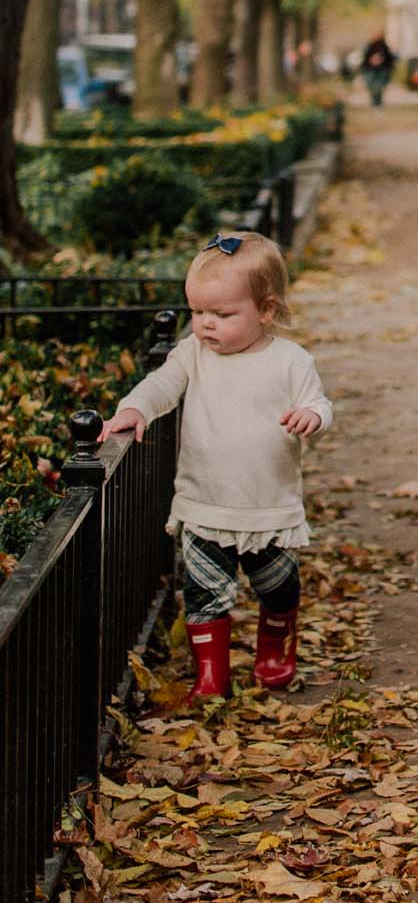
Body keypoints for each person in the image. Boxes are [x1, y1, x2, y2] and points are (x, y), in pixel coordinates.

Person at [100, 232, 333, 701]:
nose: (206, 325)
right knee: (205, 596)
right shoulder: (193, 355)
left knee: (278, 590)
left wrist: (312, 417)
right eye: (197, 313)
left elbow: (318, 404)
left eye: (223, 315)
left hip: (268, 508)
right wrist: (134, 409)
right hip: (204, 504)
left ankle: (273, 647)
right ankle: (211, 677)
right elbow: (160, 384)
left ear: (265, 310)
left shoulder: (291, 361)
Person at [359, 33, 396, 107]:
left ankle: (377, 101)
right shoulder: (370, 46)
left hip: (382, 69)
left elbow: (390, 59)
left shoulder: (385, 47)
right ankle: (374, 101)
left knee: (379, 87)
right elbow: (365, 57)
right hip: (370, 69)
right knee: (371, 86)